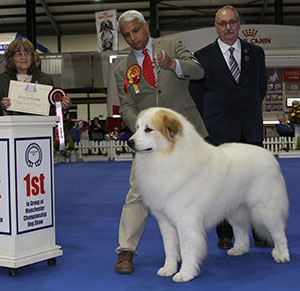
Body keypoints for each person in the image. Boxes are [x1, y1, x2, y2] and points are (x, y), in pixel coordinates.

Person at [114, 10, 208, 274]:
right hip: (150, 145)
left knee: (208, 187)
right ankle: (126, 251)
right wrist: (143, 130)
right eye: (127, 35)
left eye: (136, 30)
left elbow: (198, 71)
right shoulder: (122, 69)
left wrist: (173, 65)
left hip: (186, 136)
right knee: (137, 193)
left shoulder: (172, 46)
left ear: (146, 27)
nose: (133, 38)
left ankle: (229, 238)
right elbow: (127, 106)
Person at [189, 5, 269, 250]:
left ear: (239, 25)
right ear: (216, 27)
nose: (228, 28)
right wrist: (215, 119)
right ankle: (225, 234)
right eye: (223, 24)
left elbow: (261, 87)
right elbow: (196, 93)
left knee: (256, 183)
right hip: (219, 131)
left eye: (232, 22)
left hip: (250, 129)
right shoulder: (201, 56)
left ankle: (260, 232)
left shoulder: (256, 52)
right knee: (221, 186)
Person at [0, 38, 71, 116]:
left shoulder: (45, 79)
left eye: (27, 53)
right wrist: (3, 108)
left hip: (41, 127)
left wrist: (62, 107)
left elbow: (51, 111)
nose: (24, 57)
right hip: (11, 127)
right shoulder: (2, 81)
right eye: (18, 54)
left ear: (33, 56)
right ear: (11, 58)